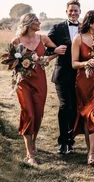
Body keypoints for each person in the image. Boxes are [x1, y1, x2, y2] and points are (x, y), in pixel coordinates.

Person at [11, 13, 61, 165]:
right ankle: (29, 154)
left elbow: (55, 50)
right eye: (36, 20)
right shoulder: (17, 41)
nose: (39, 22)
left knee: (38, 114)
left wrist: (47, 58)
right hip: (23, 81)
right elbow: (11, 62)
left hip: (40, 80)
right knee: (29, 114)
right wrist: (19, 65)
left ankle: (33, 142)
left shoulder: (43, 38)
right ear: (28, 23)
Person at [72, 10, 94, 165]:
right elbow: (73, 63)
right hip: (83, 81)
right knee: (87, 117)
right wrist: (86, 63)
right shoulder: (78, 39)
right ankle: (90, 152)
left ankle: (91, 153)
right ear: (90, 22)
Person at [47, 0, 81, 155]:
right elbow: (46, 49)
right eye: (71, 10)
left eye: (76, 10)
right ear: (66, 11)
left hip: (80, 75)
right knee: (64, 106)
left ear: (80, 12)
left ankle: (70, 140)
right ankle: (62, 142)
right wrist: (55, 50)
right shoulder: (58, 28)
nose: (73, 13)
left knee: (74, 108)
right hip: (62, 74)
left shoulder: (85, 28)